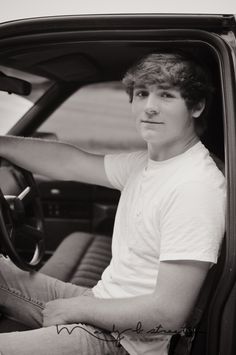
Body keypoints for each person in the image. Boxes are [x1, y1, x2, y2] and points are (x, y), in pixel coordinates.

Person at [0, 52, 226, 355]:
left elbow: (169, 313)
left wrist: (78, 310)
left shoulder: (195, 187)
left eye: (167, 95)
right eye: (142, 94)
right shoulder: (147, 164)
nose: (150, 107)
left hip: (127, 343)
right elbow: (70, 162)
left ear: (196, 107)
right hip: (105, 303)